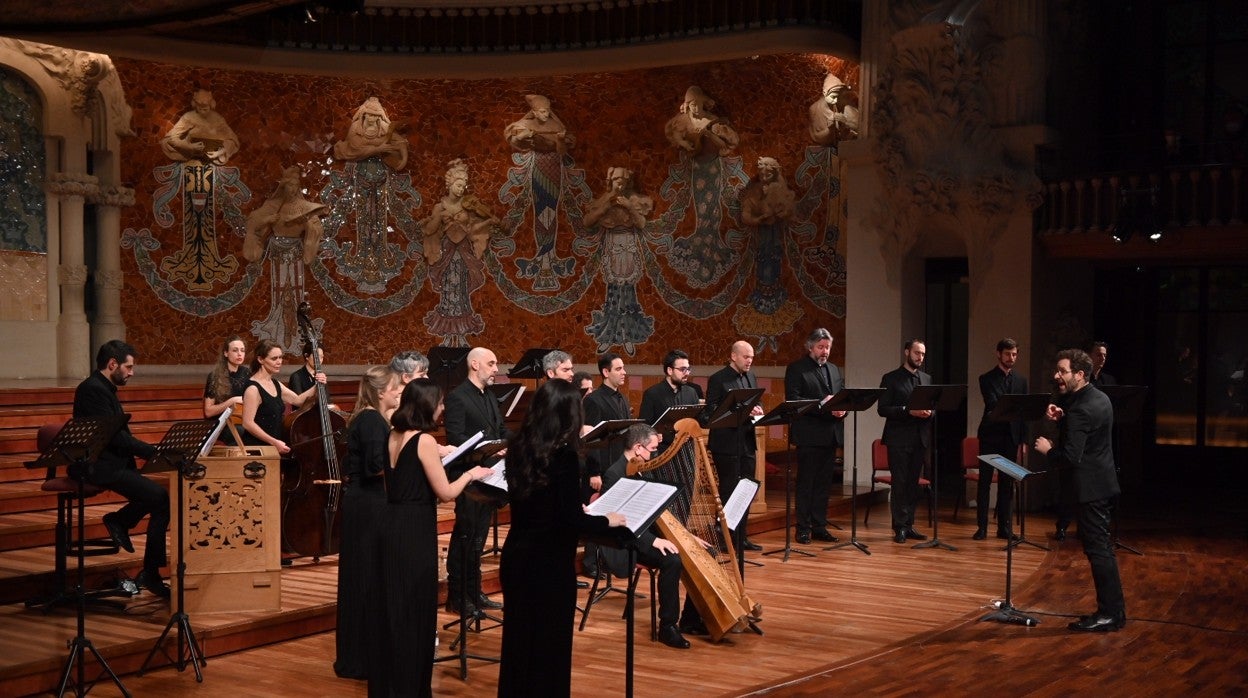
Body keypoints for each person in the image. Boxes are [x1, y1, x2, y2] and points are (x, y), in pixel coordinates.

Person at [497, 379, 626, 697]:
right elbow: (570, 520)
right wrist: (606, 519)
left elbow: (543, 506)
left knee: (519, 642)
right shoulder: (565, 457)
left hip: (517, 557)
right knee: (550, 649)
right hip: (549, 564)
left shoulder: (518, 446)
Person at [369, 379, 492, 696]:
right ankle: (411, 685)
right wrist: (470, 474)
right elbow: (447, 493)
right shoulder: (423, 441)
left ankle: (390, 684)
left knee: (393, 604)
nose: (442, 408)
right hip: (414, 529)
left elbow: (400, 486)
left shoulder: (392, 435)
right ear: (425, 405)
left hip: (392, 522)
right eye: (439, 403)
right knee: (414, 606)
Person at [1033, 349, 1126, 632]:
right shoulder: (1099, 398)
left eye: (1062, 371)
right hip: (1104, 483)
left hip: (1090, 488)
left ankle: (1110, 614)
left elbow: (1071, 457)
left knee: (1098, 551)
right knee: (1102, 549)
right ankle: (1113, 611)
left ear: (1080, 374)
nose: (1056, 376)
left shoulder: (1081, 410)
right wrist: (1064, 416)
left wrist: (1049, 451)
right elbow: (1088, 430)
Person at [73, 340, 169, 597]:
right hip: (98, 466)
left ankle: (123, 525)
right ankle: (149, 570)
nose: (131, 372)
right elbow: (116, 438)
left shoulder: (103, 388)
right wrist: (155, 451)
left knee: (158, 498)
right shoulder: (92, 390)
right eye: (128, 367)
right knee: (160, 498)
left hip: (112, 461)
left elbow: (118, 436)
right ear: (112, 364)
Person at [334, 365, 403, 680]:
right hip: (368, 508)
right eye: (396, 387)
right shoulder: (373, 420)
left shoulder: (369, 418)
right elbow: (377, 467)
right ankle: (361, 659)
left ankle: (360, 656)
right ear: (381, 392)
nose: (400, 391)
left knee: (365, 579)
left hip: (364, 505)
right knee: (366, 580)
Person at [598, 424, 693, 649]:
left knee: (701, 551)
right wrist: (653, 541)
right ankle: (668, 626)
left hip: (648, 534)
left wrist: (687, 537)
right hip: (627, 541)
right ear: (638, 448)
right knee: (672, 561)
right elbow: (621, 523)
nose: (655, 453)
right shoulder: (614, 474)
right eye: (652, 449)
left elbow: (658, 512)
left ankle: (692, 619)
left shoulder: (644, 469)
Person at [442, 347, 509, 617]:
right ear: (474, 364)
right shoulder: (458, 397)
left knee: (479, 538)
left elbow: (500, 429)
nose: (496, 369)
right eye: (491, 364)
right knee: (465, 537)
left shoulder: (489, 396)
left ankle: (475, 592)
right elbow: (456, 438)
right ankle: (458, 597)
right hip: (467, 477)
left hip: (489, 476)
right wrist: (491, 448)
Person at [420, 159, 499, 345]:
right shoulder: (440, 207)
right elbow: (430, 230)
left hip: (463, 253)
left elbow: (472, 232)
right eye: (458, 185)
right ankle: (447, 334)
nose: (461, 189)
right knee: (448, 289)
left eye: (463, 186)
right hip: (447, 251)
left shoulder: (468, 206)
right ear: (450, 184)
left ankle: (462, 333)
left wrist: (488, 222)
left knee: (462, 289)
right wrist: (436, 218)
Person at [784, 328, 846, 544]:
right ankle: (803, 528)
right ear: (810, 347)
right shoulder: (797, 369)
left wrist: (841, 409)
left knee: (823, 485)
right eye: (821, 347)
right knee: (806, 484)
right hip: (809, 436)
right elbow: (794, 401)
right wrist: (823, 405)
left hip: (830, 435)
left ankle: (819, 526)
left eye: (827, 347)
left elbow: (841, 395)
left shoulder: (834, 369)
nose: (825, 351)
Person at [705, 340, 765, 550]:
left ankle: (741, 537)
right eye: (746, 357)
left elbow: (757, 402)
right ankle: (725, 539)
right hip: (726, 444)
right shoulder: (718, 379)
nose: (750, 361)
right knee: (729, 491)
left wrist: (757, 408)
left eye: (751, 357)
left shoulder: (751, 376)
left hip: (747, 442)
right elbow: (711, 411)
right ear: (733, 356)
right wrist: (741, 410)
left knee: (746, 490)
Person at [878, 339, 933, 544]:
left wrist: (930, 412)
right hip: (898, 439)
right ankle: (899, 527)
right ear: (907, 352)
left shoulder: (926, 379)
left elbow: (933, 404)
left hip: (920, 438)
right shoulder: (891, 378)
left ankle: (909, 524)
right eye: (917, 353)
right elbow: (882, 409)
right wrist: (908, 411)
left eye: (923, 354)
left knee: (913, 484)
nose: (920, 357)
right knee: (900, 483)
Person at [974, 338, 1029, 541]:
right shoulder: (986, 378)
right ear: (999, 354)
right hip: (990, 435)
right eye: (1007, 354)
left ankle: (1004, 528)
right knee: (985, 482)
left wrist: (1023, 441)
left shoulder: (1021, 381)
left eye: (1014, 354)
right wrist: (1011, 407)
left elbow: (1023, 413)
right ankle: (982, 527)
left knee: (1007, 483)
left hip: (1011, 437)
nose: (1011, 358)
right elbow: (995, 404)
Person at [240, 340, 321, 453]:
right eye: (274, 358)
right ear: (260, 359)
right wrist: (274, 442)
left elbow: (297, 400)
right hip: (258, 449)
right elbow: (247, 423)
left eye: (280, 357)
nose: (279, 362)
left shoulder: (275, 383)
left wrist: (318, 384)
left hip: (274, 447)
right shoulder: (253, 389)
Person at [582, 352, 631, 497]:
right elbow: (591, 438)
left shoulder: (624, 399)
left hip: (621, 465)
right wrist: (594, 473)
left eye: (623, 368)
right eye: (618, 369)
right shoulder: (593, 400)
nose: (624, 372)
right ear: (605, 372)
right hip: (603, 469)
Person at [639, 349, 701, 452]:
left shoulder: (692, 392)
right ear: (669, 370)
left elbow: (696, 422)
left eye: (688, 369)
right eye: (682, 369)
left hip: (687, 451)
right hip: (663, 453)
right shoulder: (652, 394)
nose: (687, 373)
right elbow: (644, 427)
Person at [160, 88, 239, 165]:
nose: (202, 112)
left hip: (213, 160)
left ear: (211, 105)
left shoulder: (218, 119)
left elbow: (232, 140)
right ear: (194, 105)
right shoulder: (188, 117)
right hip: (190, 158)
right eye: (200, 109)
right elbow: (171, 138)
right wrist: (189, 146)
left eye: (205, 109)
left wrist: (220, 152)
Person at [333, 96, 408, 170]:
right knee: (348, 151)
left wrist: (404, 159)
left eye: (375, 115)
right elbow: (354, 147)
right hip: (356, 151)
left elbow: (400, 140)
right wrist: (378, 149)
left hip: (380, 151)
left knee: (394, 151)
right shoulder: (356, 127)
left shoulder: (383, 126)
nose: (372, 117)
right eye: (369, 114)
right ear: (364, 114)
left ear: (379, 117)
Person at [203, 335, 249, 444]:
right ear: (226, 353)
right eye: (235, 350)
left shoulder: (247, 373)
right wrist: (231, 401)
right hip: (220, 424)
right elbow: (208, 412)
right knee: (240, 430)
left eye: (242, 350)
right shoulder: (215, 376)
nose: (239, 354)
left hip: (241, 419)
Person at [503, 93, 575, 155]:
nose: (546, 115)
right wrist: (520, 137)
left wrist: (560, 140)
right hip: (532, 157)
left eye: (547, 111)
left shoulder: (555, 126)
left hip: (552, 160)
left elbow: (562, 152)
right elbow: (513, 141)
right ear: (535, 113)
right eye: (543, 112)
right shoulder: (525, 124)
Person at [808, 73, 860, 146]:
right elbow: (816, 137)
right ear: (825, 93)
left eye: (838, 97)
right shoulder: (815, 109)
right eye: (833, 97)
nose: (835, 100)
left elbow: (860, 129)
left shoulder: (845, 105)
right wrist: (830, 130)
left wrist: (845, 124)